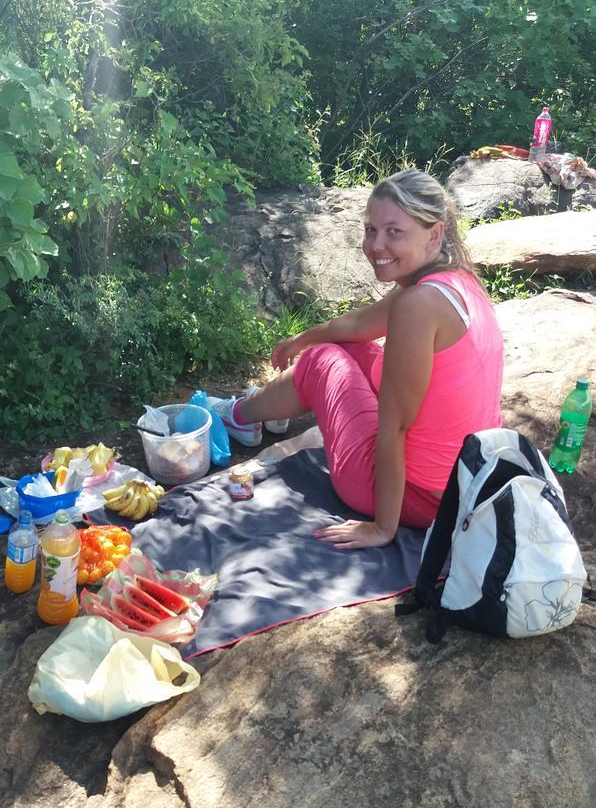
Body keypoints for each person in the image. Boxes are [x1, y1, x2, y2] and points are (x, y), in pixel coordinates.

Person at [210, 169, 504, 550]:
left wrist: (383, 528)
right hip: (469, 479)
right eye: (370, 230)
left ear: (434, 234)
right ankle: (262, 408)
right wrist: (302, 337)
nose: (375, 245)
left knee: (323, 361)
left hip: (420, 497)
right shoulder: (455, 281)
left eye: (394, 232)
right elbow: (360, 324)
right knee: (350, 348)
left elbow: (394, 427)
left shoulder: (418, 304)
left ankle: (240, 417)